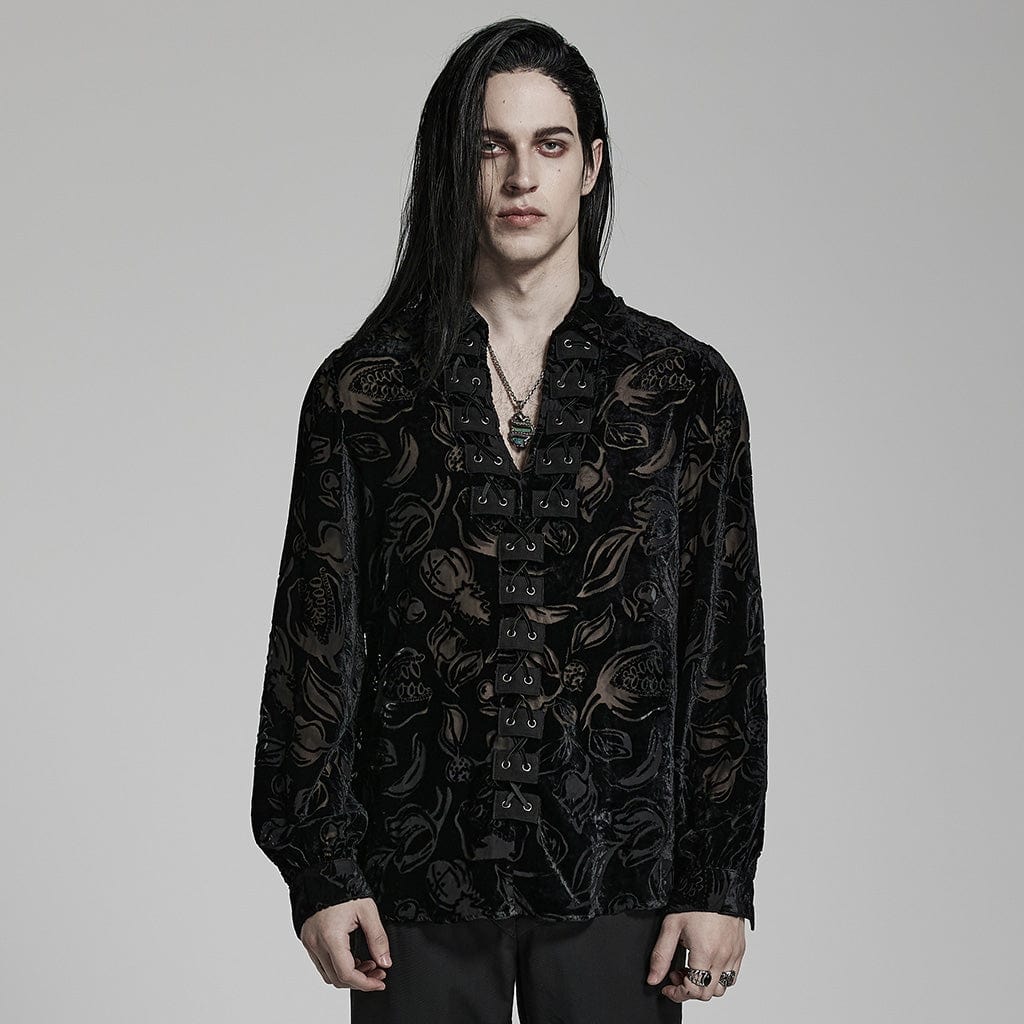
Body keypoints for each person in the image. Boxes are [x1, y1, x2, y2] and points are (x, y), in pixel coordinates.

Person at [250, 16, 768, 1022]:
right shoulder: (365, 390)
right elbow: (314, 642)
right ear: (453, 167)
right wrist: (319, 867)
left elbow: (724, 646)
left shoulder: (680, 388)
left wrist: (719, 877)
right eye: (490, 146)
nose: (520, 177)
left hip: (624, 879)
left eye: (549, 144)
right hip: (413, 884)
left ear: (591, 166)